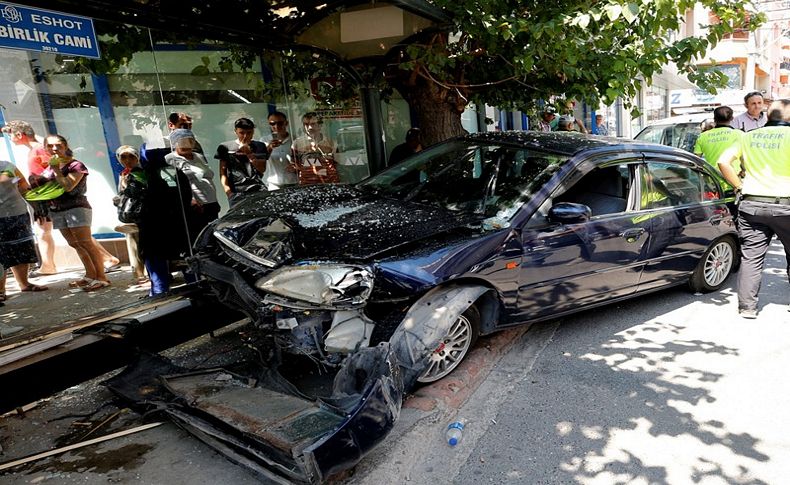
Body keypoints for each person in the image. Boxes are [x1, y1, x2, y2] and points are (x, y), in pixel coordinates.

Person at [717, 99, 790, 319]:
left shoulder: (748, 136)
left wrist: (739, 187)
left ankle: (747, 308)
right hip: (786, 205)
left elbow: (723, 162)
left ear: (768, 115)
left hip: (752, 205)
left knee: (752, 257)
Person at [43, 135, 110, 292]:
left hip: (76, 207)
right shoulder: (49, 168)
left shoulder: (76, 165)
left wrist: (55, 170)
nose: (54, 149)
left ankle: (102, 277)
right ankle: (90, 275)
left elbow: (68, 186)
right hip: (57, 209)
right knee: (74, 243)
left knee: (85, 242)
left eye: (58, 145)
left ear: (65, 146)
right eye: (50, 146)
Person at [2, 120, 57, 276]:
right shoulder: (35, 149)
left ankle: (48, 266)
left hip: (47, 197)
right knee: (44, 231)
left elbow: (53, 172)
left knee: (49, 231)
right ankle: (47, 266)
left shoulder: (39, 149)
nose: (10, 139)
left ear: (19, 135)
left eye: (10, 135)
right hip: (43, 196)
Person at [0, 158, 49, 303]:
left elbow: (22, 186)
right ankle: (1, 290)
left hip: (18, 212)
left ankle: (24, 283)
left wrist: (36, 207)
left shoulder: (7, 165)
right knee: (1, 254)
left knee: (21, 248)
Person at [166, 129, 220, 242]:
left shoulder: (198, 156)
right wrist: (190, 199)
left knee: (213, 234)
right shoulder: (170, 159)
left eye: (189, 141)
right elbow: (173, 183)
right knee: (199, 236)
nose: (186, 145)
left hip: (211, 201)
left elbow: (207, 175)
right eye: (182, 142)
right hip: (195, 204)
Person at [114, 146, 147, 284]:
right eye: (123, 157)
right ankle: (139, 273)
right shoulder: (124, 173)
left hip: (141, 213)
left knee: (140, 243)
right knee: (133, 242)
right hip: (130, 214)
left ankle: (144, 273)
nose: (127, 160)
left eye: (131, 157)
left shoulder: (140, 173)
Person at [215, 117, 267, 206]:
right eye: (241, 133)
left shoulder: (259, 146)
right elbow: (222, 172)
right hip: (236, 192)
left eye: (249, 133)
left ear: (253, 132)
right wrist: (228, 192)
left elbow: (262, 169)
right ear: (236, 131)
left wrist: (249, 154)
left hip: (257, 190)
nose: (245, 136)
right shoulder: (225, 147)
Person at [693, 106, 744, 190]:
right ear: (732, 118)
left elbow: (696, 160)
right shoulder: (740, 134)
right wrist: (744, 171)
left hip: (713, 183)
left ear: (714, 119)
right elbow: (745, 158)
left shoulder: (703, 136)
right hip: (735, 181)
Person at [291, 112, 339, 185]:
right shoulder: (297, 143)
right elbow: (294, 165)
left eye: (313, 124)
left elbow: (337, 163)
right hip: (307, 183)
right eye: (306, 124)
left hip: (330, 182)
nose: (309, 127)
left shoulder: (331, 143)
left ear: (320, 125)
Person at [260, 111, 297, 190]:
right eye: (272, 124)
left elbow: (302, 159)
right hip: (273, 184)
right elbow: (261, 160)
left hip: (293, 182)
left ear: (286, 123)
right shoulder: (264, 140)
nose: (276, 126)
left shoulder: (294, 140)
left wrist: (297, 166)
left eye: (280, 123)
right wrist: (269, 148)